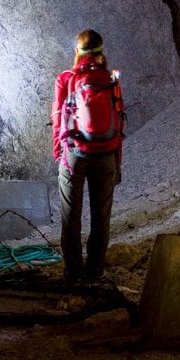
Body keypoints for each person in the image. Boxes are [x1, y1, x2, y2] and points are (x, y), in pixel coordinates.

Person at [52, 29, 124, 282]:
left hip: (75, 155)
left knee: (70, 216)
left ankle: (74, 273)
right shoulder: (112, 79)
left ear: (77, 51)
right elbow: (119, 120)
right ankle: (95, 272)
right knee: (101, 218)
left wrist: (59, 152)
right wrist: (117, 162)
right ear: (101, 51)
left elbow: (58, 117)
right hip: (106, 155)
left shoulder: (66, 78)